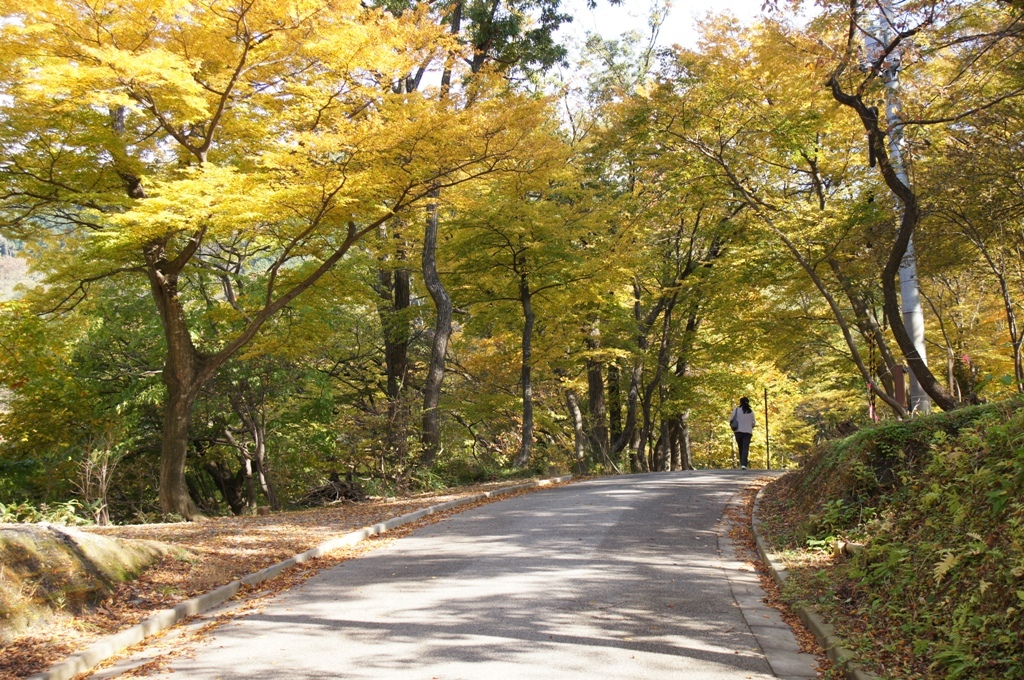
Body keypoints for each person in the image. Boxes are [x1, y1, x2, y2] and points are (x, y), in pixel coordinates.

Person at [730, 397, 756, 469]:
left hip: (738, 431)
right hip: (748, 432)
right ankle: (743, 464)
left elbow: (731, 419)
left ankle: (742, 463)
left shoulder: (736, 410)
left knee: (740, 447)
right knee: (745, 448)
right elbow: (753, 423)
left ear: (740, 402)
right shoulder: (750, 411)